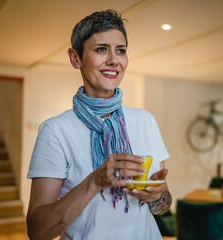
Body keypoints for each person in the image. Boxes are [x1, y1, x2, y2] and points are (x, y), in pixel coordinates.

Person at [26, 9, 172, 240]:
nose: (114, 60)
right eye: (101, 49)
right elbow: (37, 231)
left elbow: (162, 206)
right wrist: (95, 180)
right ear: (76, 58)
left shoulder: (146, 121)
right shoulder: (54, 131)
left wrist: (157, 195)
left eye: (120, 51)